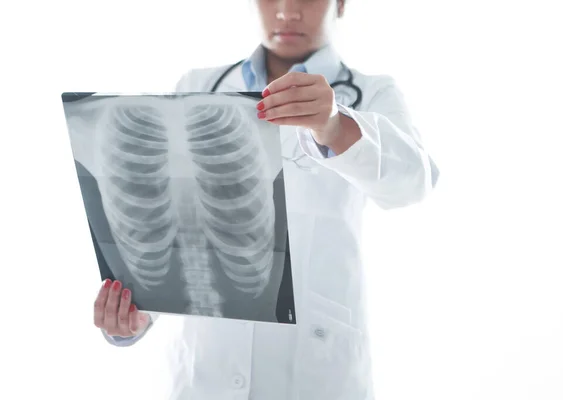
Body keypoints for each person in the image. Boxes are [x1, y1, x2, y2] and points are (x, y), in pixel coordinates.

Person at [93, 0, 439, 399]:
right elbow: (175, 229)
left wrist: (333, 125)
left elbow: (413, 183)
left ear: (341, 3)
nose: (287, 11)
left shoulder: (372, 92)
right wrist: (137, 317)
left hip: (315, 369)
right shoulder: (199, 85)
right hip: (206, 372)